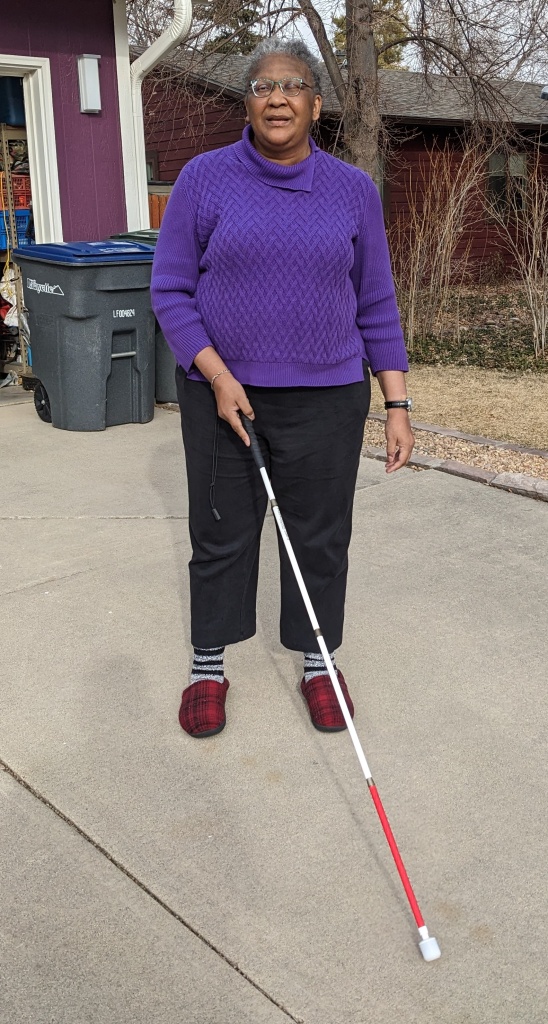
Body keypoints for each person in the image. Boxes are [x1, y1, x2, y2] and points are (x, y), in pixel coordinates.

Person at [151, 38, 414, 739]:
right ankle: (208, 667)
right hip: (222, 397)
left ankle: (319, 663)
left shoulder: (352, 189)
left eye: (292, 85)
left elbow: (376, 301)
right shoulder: (203, 179)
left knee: (319, 539)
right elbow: (170, 289)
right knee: (220, 535)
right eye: (263, 87)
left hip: (328, 398)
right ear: (248, 104)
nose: (277, 97)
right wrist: (217, 373)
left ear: (315, 105)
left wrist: (397, 404)